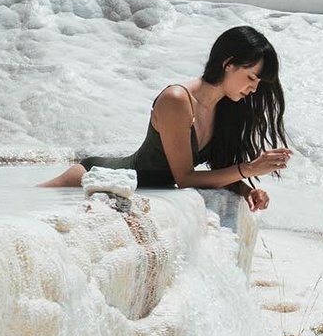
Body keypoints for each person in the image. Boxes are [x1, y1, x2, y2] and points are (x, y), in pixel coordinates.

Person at [40, 25, 292, 211]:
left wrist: (247, 189)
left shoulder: (227, 108)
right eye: (251, 78)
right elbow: (184, 178)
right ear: (228, 64)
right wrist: (248, 169)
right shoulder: (176, 100)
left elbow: (217, 171)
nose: (254, 89)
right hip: (94, 177)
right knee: (23, 205)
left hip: (129, 189)